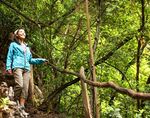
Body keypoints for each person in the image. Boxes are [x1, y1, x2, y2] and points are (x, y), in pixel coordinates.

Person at [6, 28, 47, 110]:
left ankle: (22, 105)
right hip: (17, 66)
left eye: (24, 32)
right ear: (17, 35)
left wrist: (41, 60)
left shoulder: (27, 47)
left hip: (27, 69)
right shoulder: (13, 45)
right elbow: (9, 56)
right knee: (20, 85)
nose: (23, 33)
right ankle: (12, 98)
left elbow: (30, 60)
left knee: (25, 88)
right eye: (21, 32)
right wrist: (8, 67)